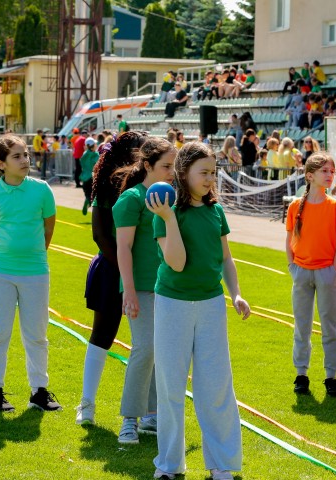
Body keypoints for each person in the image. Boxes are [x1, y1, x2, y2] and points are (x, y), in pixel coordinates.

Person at [147, 142, 250, 480]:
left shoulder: (216, 212)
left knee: (216, 386)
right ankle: (170, 464)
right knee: (171, 386)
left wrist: (235, 294)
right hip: (173, 305)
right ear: (183, 172)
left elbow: (226, 259)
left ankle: (222, 464)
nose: (210, 179)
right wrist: (168, 218)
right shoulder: (164, 212)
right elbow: (176, 264)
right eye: (203, 172)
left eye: (213, 173)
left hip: (210, 306)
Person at [0, 134, 60, 412]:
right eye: (17, 156)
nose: (25, 160)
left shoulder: (42, 190)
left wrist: (33, 255)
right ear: (1, 164)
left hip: (36, 271)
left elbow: (49, 229)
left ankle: (39, 391)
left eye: (26, 155)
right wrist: (2, 256)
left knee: (36, 334)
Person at [76, 132, 147, 425]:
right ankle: (87, 404)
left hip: (144, 272)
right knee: (103, 336)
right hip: (111, 269)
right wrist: (124, 267)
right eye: (141, 153)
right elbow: (100, 234)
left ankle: (146, 414)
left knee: (147, 344)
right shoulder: (106, 186)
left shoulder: (150, 184)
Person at [113, 138, 176, 444]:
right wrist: (129, 291)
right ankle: (129, 419)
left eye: (174, 166)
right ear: (148, 166)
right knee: (145, 349)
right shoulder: (132, 199)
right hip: (140, 288)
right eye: (166, 166)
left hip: (170, 288)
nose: (171, 172)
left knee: (161, 352)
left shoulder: (172, 198)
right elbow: (123, 248)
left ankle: (152, 414)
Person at [286, 153, 336, 397]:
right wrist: (292, 266)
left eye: (332, 171)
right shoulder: (294, 207)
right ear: (310, 176)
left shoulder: (335, 207)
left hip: (326, 274)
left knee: (331, 326)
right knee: (302, 326)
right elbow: (290, 239)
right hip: (301, 272)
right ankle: (302, 374)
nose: (330, 175)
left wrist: (332, 271)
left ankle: (331, 376)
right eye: (325, 171)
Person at [79, 138, 99, 215]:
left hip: (84, 177)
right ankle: (88, 202)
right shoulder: (95, 155)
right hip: (92, 177)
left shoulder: (84, 154)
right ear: (92, 146)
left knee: (87, 193)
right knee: (93, 195)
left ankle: (87, 201)